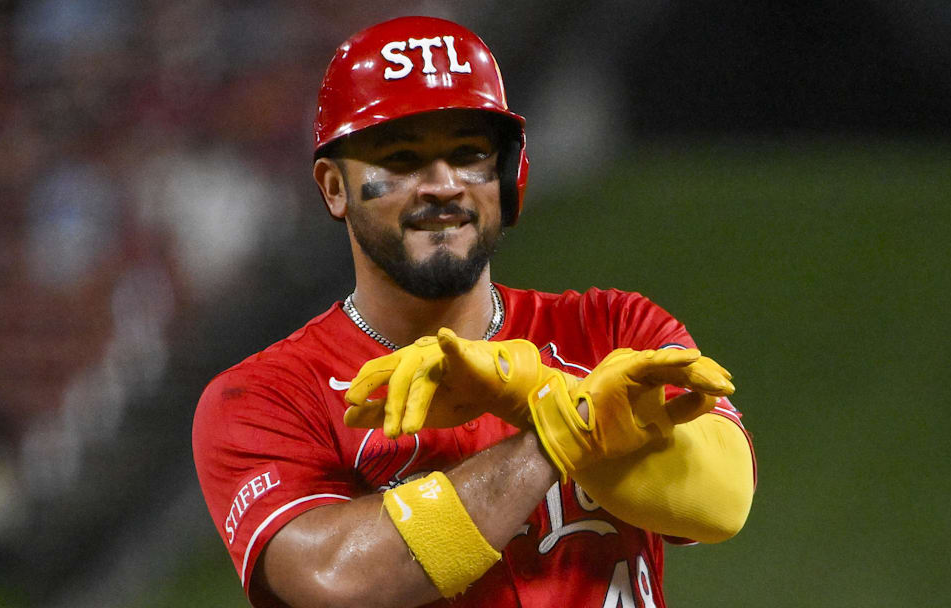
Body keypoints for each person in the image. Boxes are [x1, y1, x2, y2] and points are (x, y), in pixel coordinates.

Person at [192, 16, 756, 607]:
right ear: (334, 187)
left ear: (507, 176)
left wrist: (538, 390)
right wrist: (559, 430)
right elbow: (334, 584)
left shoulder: (612, 328)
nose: (443, 185)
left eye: (468, 154)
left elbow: (724, 498)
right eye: (403, 159)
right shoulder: (267, 396)